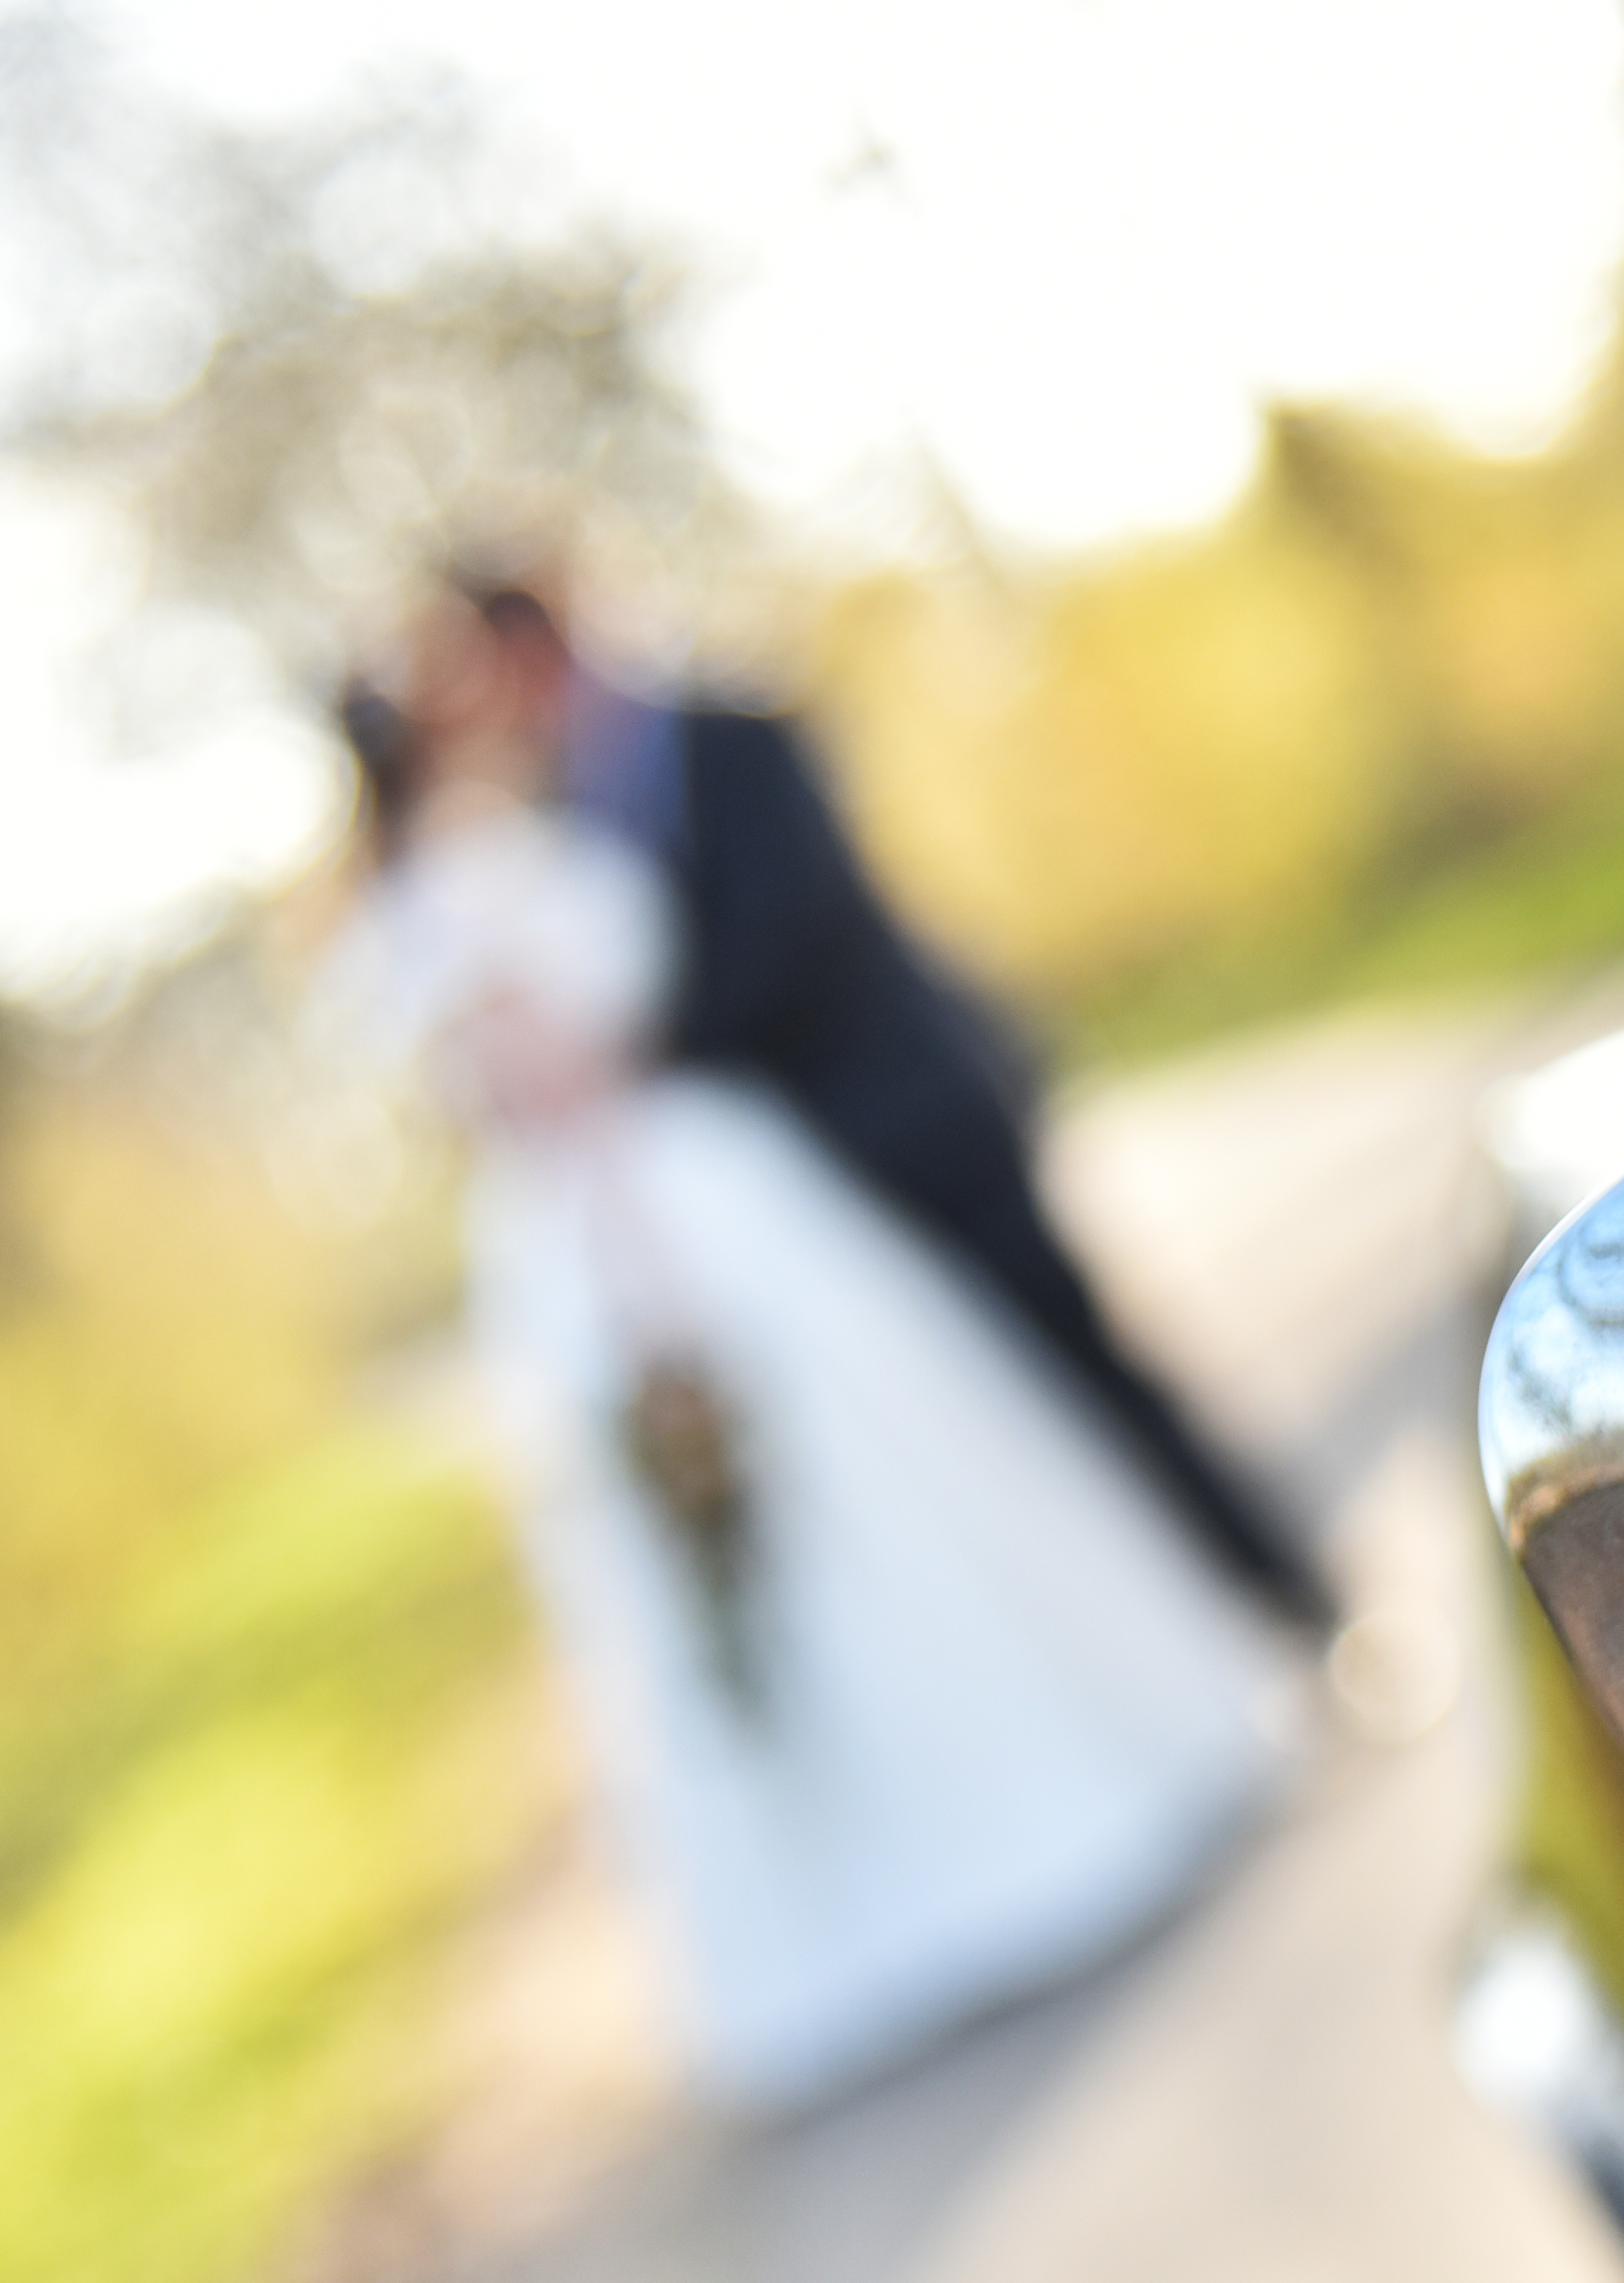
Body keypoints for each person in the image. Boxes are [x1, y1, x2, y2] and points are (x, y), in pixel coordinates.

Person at [328, 593, 1302, 2105]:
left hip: (797, 1169)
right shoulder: (483, 873)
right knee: (823, 1533)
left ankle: (1253, 1632)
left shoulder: (615, 790)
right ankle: (959, 1855)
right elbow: (564, 1107)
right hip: (662, 1223)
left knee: (961, 1467)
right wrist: (649, 1295)